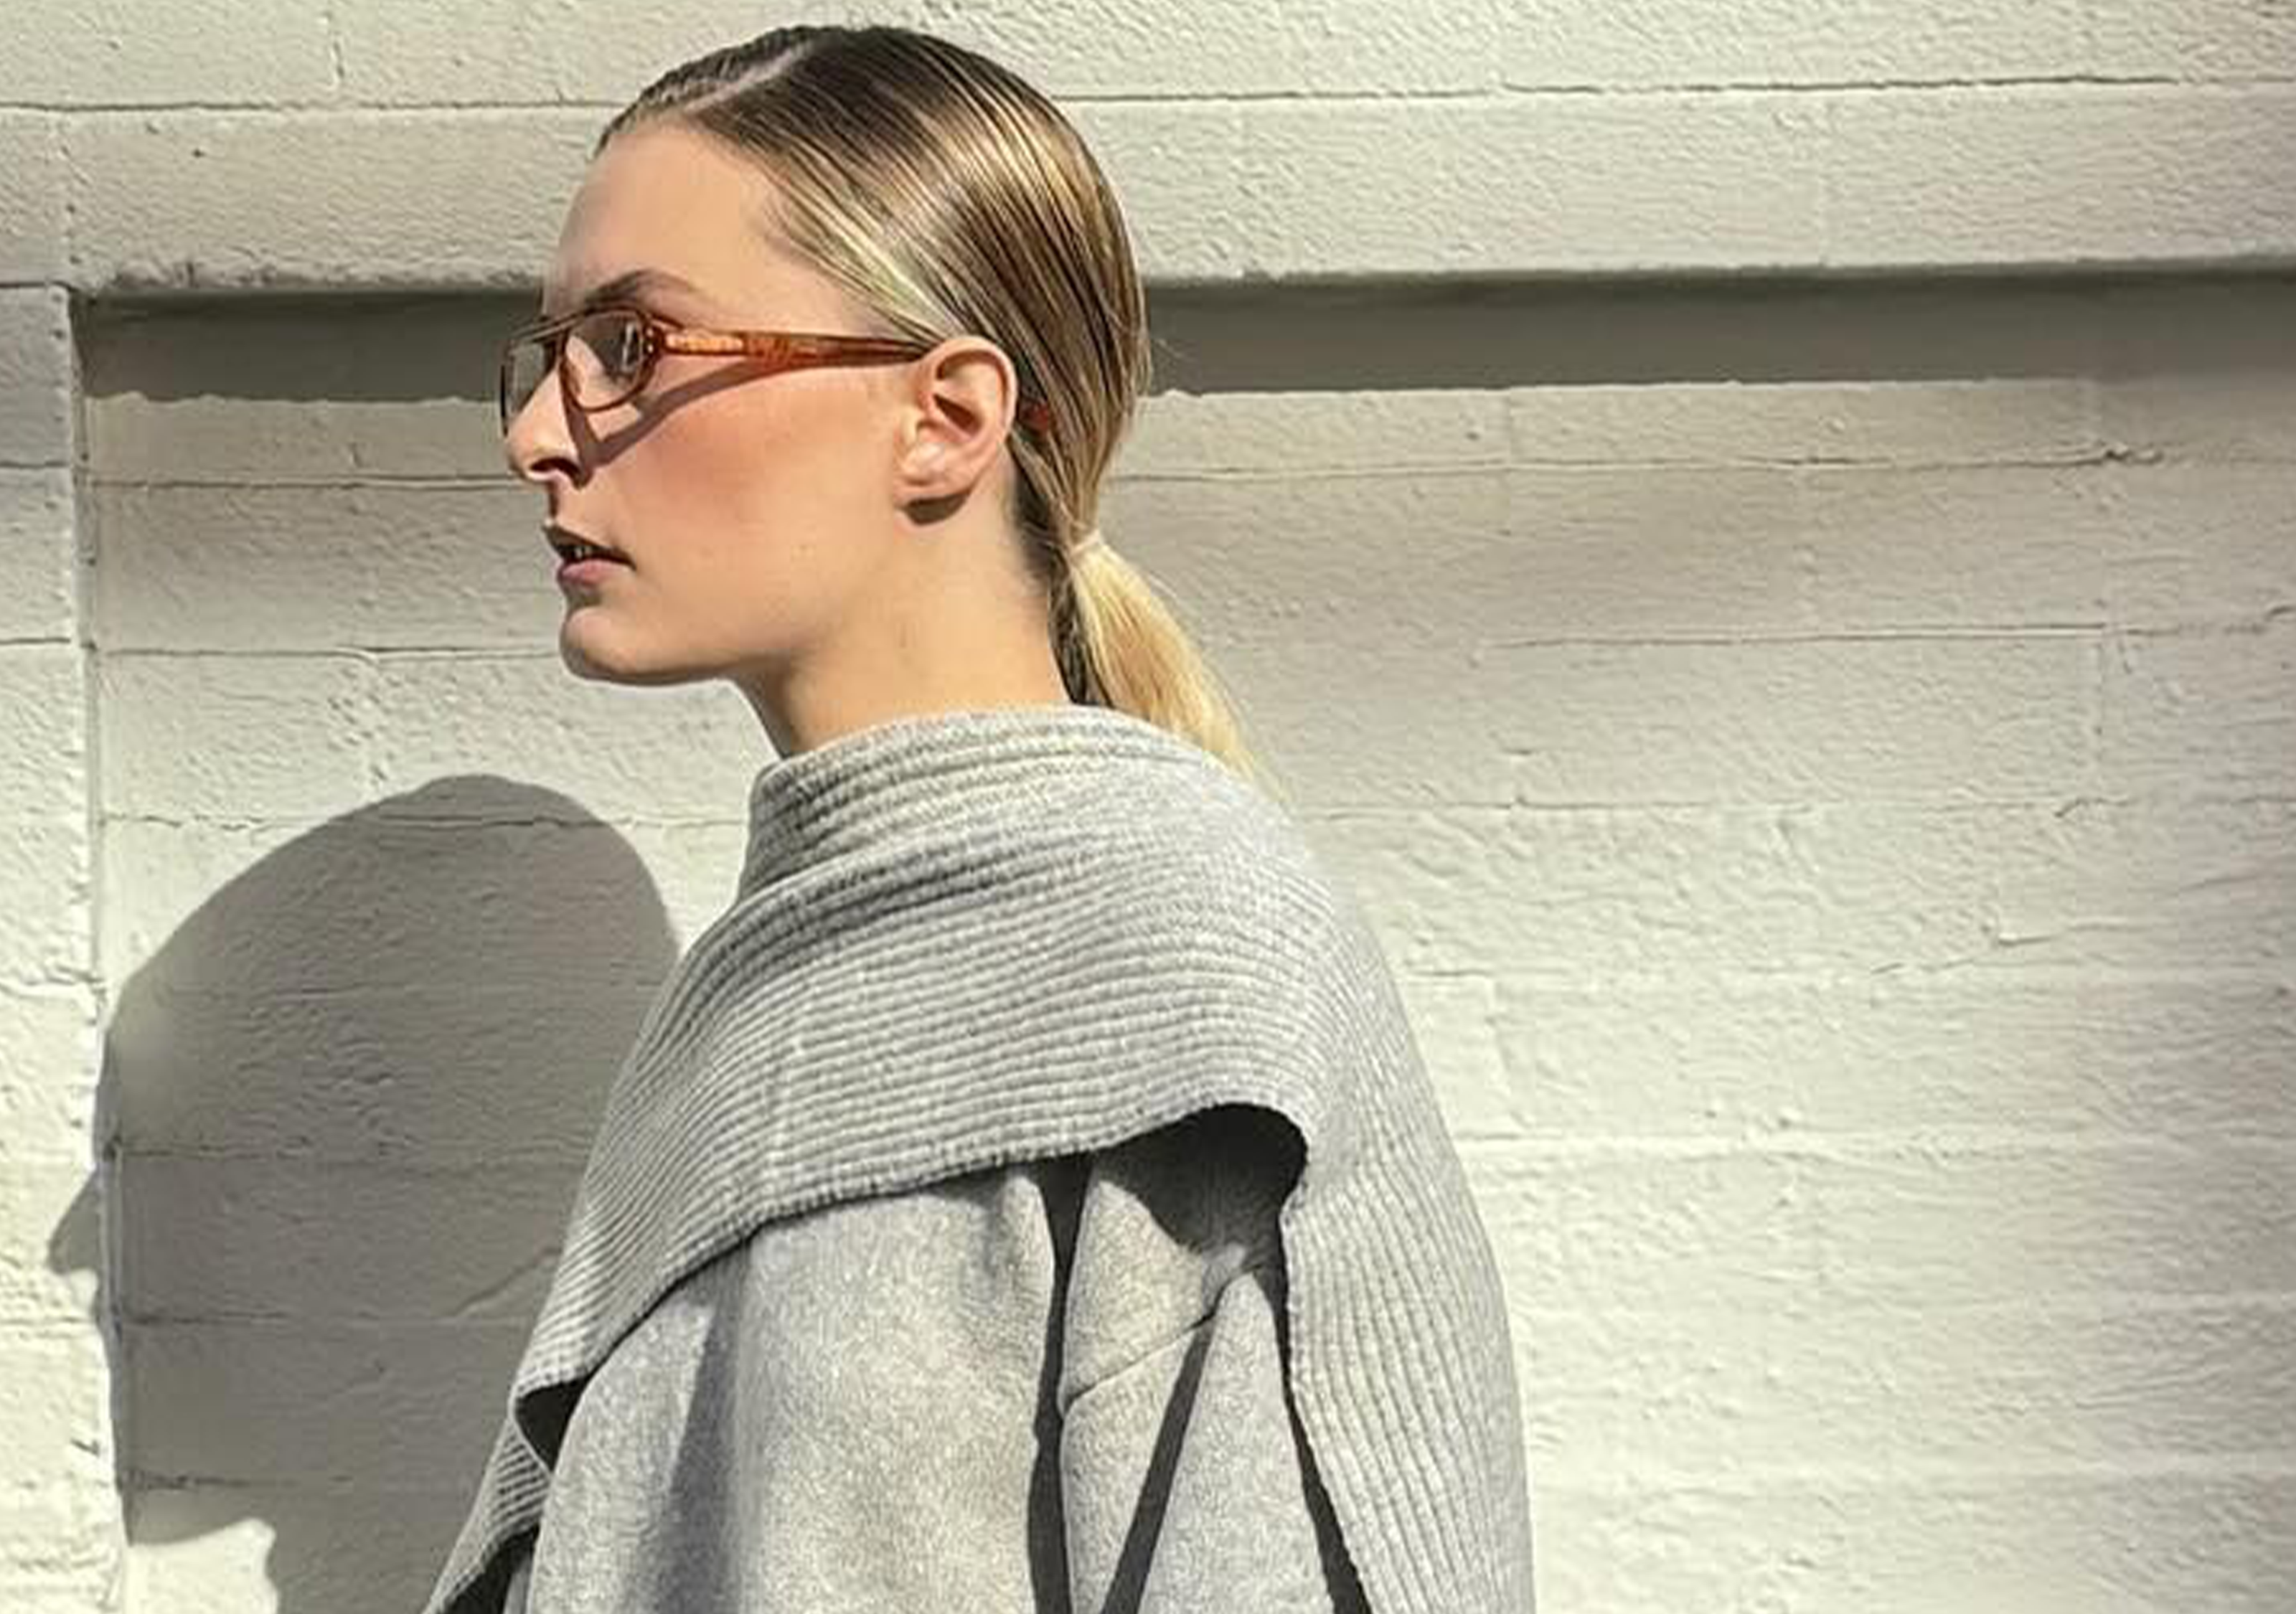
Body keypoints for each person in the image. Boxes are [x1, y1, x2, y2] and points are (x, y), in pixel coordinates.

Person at [427, 23, 1533, 1613]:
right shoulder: (749, 1003)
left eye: (632, 347)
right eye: (547, 357)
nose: (540, 432)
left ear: (941, 416)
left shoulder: (1182, 962)